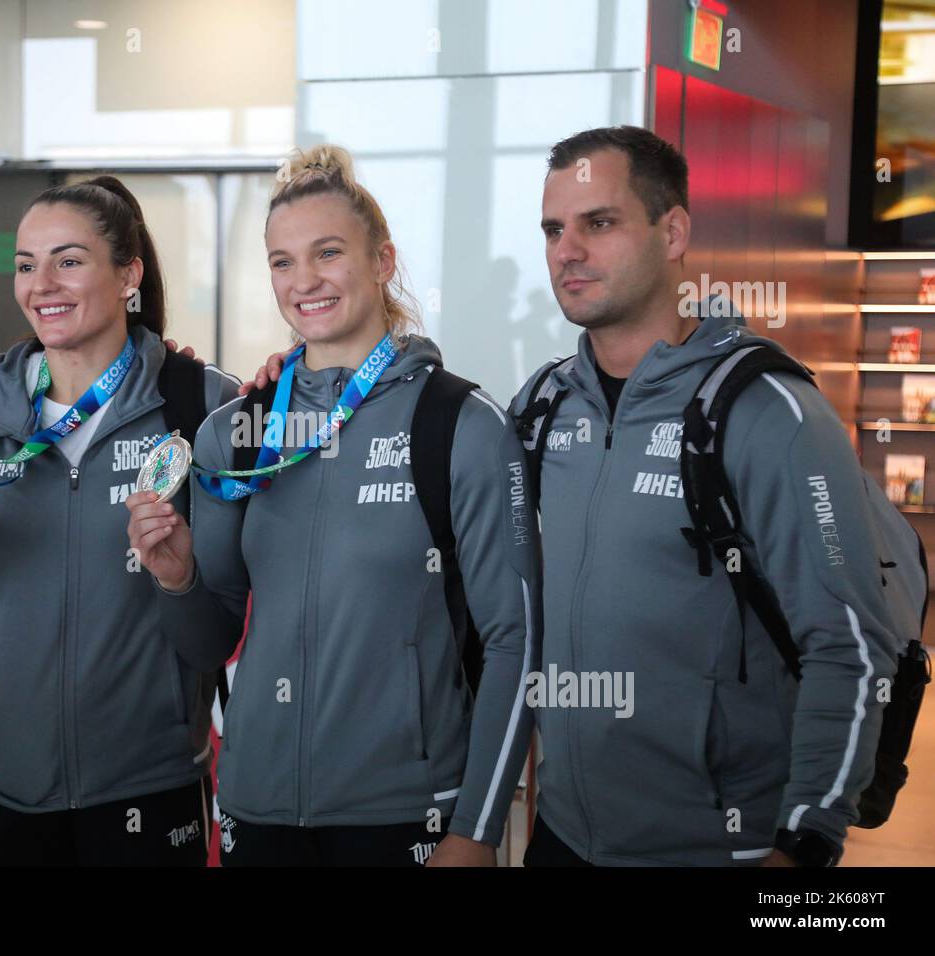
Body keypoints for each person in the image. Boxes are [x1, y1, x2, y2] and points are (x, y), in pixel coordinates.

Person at [126, 145, 539, 867]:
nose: (304, 281)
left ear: (382, 261)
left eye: (327, 253)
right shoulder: (236, 433)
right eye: (282, 262)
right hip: (257, 810)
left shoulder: (461, 423)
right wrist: (175, 579)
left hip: (407, 813)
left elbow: (516, 639)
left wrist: (475, 829)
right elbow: (207, 642)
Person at [510, 126, 896, 866]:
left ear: (674, 231)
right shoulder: (541, 407)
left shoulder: (768, 410)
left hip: (719, 848)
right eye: (555, 229)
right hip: (563, 838)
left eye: (600, 222)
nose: (568, 250)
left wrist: (805, 842)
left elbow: (848, 645)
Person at [0, 177, 240, 866]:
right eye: (26, 264)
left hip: (144, 787)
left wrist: (177, 579)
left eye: (69, 260)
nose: (42, 284)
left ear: (129, 272)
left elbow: (212, 641)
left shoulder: (204, 408)